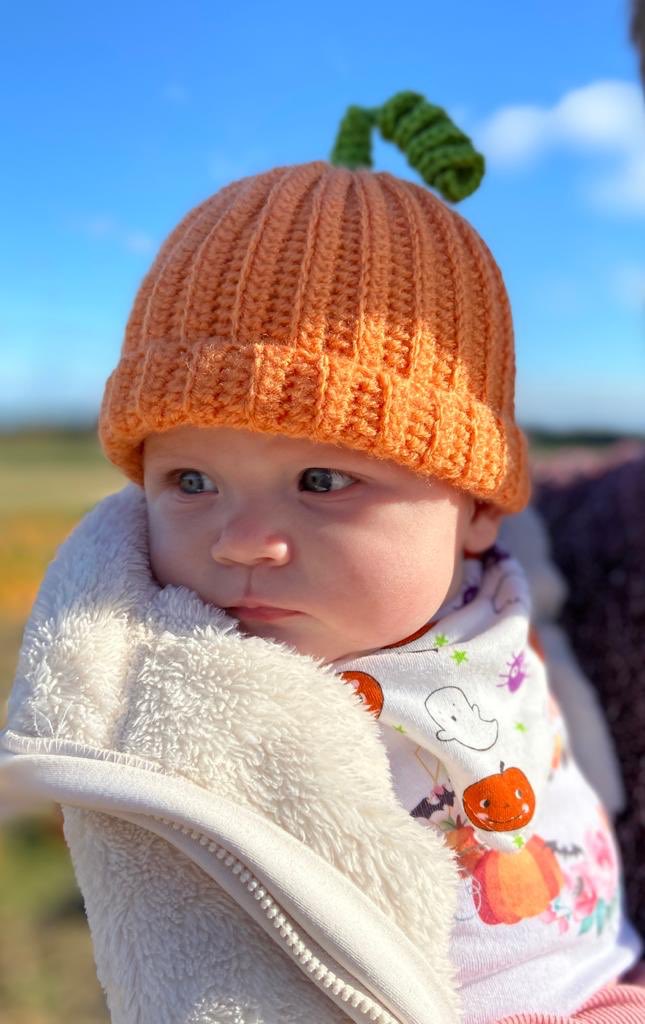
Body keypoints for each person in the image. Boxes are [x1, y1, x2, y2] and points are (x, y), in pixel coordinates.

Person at [1, 94, 643, 1024]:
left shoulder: (509, 587)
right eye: (188, 480)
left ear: (472, 508)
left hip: (599, 975)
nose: (241, 542)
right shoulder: (188, 680)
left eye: (322, 481)